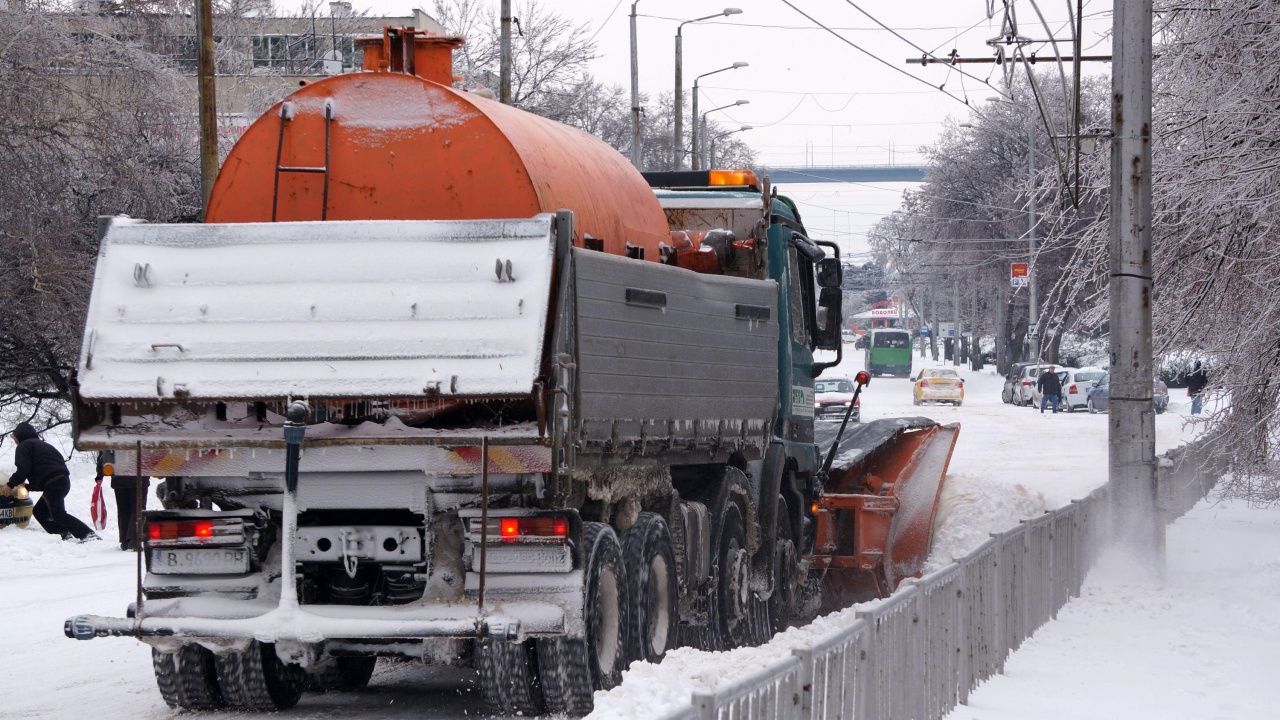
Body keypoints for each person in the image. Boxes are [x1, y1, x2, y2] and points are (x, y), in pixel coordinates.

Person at [2, 423, 100, 542]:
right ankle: (64, 533)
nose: (16, 442)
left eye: (16, 439)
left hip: (54, 483)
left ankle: (88, 534)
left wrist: (10, 485)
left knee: (58, 513)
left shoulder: (24, 446)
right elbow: (45, 471)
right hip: (62, 481)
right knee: (39, 512)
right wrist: (29, 487)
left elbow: (23, 469)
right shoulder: (44, 446)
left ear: (20, 436)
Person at [96, 451, 150, 551]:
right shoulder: (142, 435)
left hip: (119, 475)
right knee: (138, 508)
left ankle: (125, 541)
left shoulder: (114, 436)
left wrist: (100, 471)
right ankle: (133, 539)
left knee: (123, 509)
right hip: (139, 474)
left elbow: (105, 451)